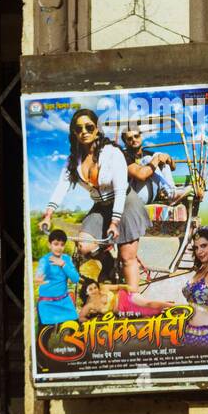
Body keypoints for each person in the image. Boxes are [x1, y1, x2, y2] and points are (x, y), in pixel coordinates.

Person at [38, 108, 150, 292]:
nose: (84, 132)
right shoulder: (73, 161)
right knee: (84, 246)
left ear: (97, 129)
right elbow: (61, 187)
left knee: (127, 257)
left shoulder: (112, 153)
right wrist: (48, 214)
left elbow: (120, 190)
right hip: (101, 205)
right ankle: (108, 264)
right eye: (79, 128)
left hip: (126, 203)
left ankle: (131, 301)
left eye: (89, 127)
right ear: (74, 132)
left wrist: (115, 222)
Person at [121, 127, 187, 205]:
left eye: (136, 136)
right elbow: (141, 175)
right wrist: (157, 159)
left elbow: (173, 168)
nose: (134, 140)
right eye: (129, 139)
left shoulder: (148, 153)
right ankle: (170, 193)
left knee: (159, 156)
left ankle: (171, 192)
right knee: (150, 159)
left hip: (152, 194)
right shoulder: (124, 156)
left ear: (140, 136)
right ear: (125, 142)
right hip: (135, 197)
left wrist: (167, 157)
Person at [34, 229, 80, 325]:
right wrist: (38, 277)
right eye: (56, 244)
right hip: (47, 303)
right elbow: (40, 271)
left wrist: (63, 264)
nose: (59, 247)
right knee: (43, 335)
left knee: (75, 326)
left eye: (62, 244)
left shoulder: (66, 259)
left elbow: (75, 279)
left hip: (64, 302)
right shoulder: (45, 260)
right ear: (49, 245)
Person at [77, 278, 173, 320]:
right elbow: (81, 317)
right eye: (90, 289)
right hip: (122, 312)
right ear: (86, 292)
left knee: (148, 304)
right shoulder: (89, 305)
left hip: (125, 298)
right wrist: (89, 321)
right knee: (149, 313)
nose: (94, 290)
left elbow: (118, 286)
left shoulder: (104, 288)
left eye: (95, 287)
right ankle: (168, 307)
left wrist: (126, 287)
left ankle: (175, 306)